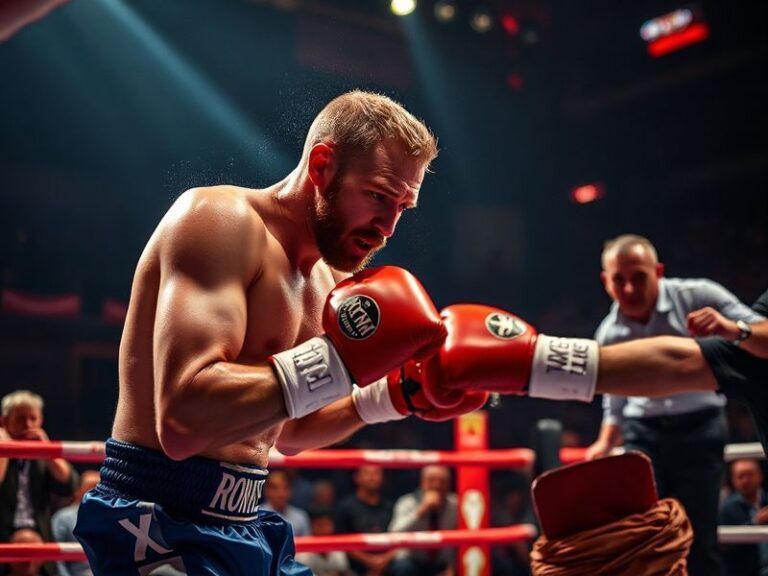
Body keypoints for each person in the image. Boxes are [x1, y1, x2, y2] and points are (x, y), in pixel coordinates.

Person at [74, 90, 486, 575]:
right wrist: (340, 362)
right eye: (377, 196)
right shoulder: (220, 221)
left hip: (243, 518)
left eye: (403, 206)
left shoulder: (329, 283)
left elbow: (287, 430)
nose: (387, 227)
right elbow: (184, 422)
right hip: (154, 519)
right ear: (322, 166)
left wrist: (393, 396)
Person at [577, 235, 763, 574]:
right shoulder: (607, 333)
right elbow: (614, 402)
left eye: (639, 277)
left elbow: (762, 330)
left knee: (698, 538)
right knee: (645, 539)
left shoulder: (698, 295)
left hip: (700, 427)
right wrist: (605, 443)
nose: (630, 288)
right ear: (606, 282)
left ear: (658, 271)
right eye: (619, 279)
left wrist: (730, 329)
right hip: (642, 435)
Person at [0, 390, 77, 576]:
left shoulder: (42, 456)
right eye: (21, 418)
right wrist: (4, 450)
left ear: (40, 421)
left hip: (39, 534)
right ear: (4, 421)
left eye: (33, 418)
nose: (28, 425)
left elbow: (69, 484)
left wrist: (47, 450)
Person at [388, 465, 457, 576]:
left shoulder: (456, 504)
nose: (437, 485)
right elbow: (394, 533)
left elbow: (464, 537)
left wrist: (453, 566)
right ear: (423, 483)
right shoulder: (407, 502)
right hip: (412, 560)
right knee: (403, 568)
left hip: (442, 563)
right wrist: (421, 511)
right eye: (432, 480)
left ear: (449, 485)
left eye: (442, 481)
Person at [335, 465, 396, 576]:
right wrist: (368, 561)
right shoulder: (345, 507)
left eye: (376, 473)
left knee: (404, 566)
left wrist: (383, 561)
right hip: (354, 566)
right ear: (357, 478)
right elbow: (341, 540)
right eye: (367, 473)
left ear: (383, 478)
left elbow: (399, 539)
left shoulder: (390, 507)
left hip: (387, 565)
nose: (372, 477)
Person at [719, 459, 768, 576]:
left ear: (760, 476)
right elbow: (723, 548)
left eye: (749, 474)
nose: (745, 480)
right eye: (740, 476)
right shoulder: (727, 508)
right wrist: (754, 523)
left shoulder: (766, 500)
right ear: (733, 480)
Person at [51, 470, 101, 576]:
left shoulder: (112, 517)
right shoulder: (63, 518)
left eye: (100, 487)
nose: (97, 492)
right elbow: (56, 559)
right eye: (91, 487)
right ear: (78, 491)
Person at [295, 507, 352, 576]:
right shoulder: (302, 553)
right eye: (320, 525)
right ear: (311, 526)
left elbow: (345, 572)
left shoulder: (337, 549)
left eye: (327, 525)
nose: (324, 529)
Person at [261, 470, 311, 537]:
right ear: (266, 490)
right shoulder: (257, 516)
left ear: (291, 490)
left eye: (285, 488)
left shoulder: (300, 517)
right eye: (275, 488)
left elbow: (307, 545)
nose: (281, 493)